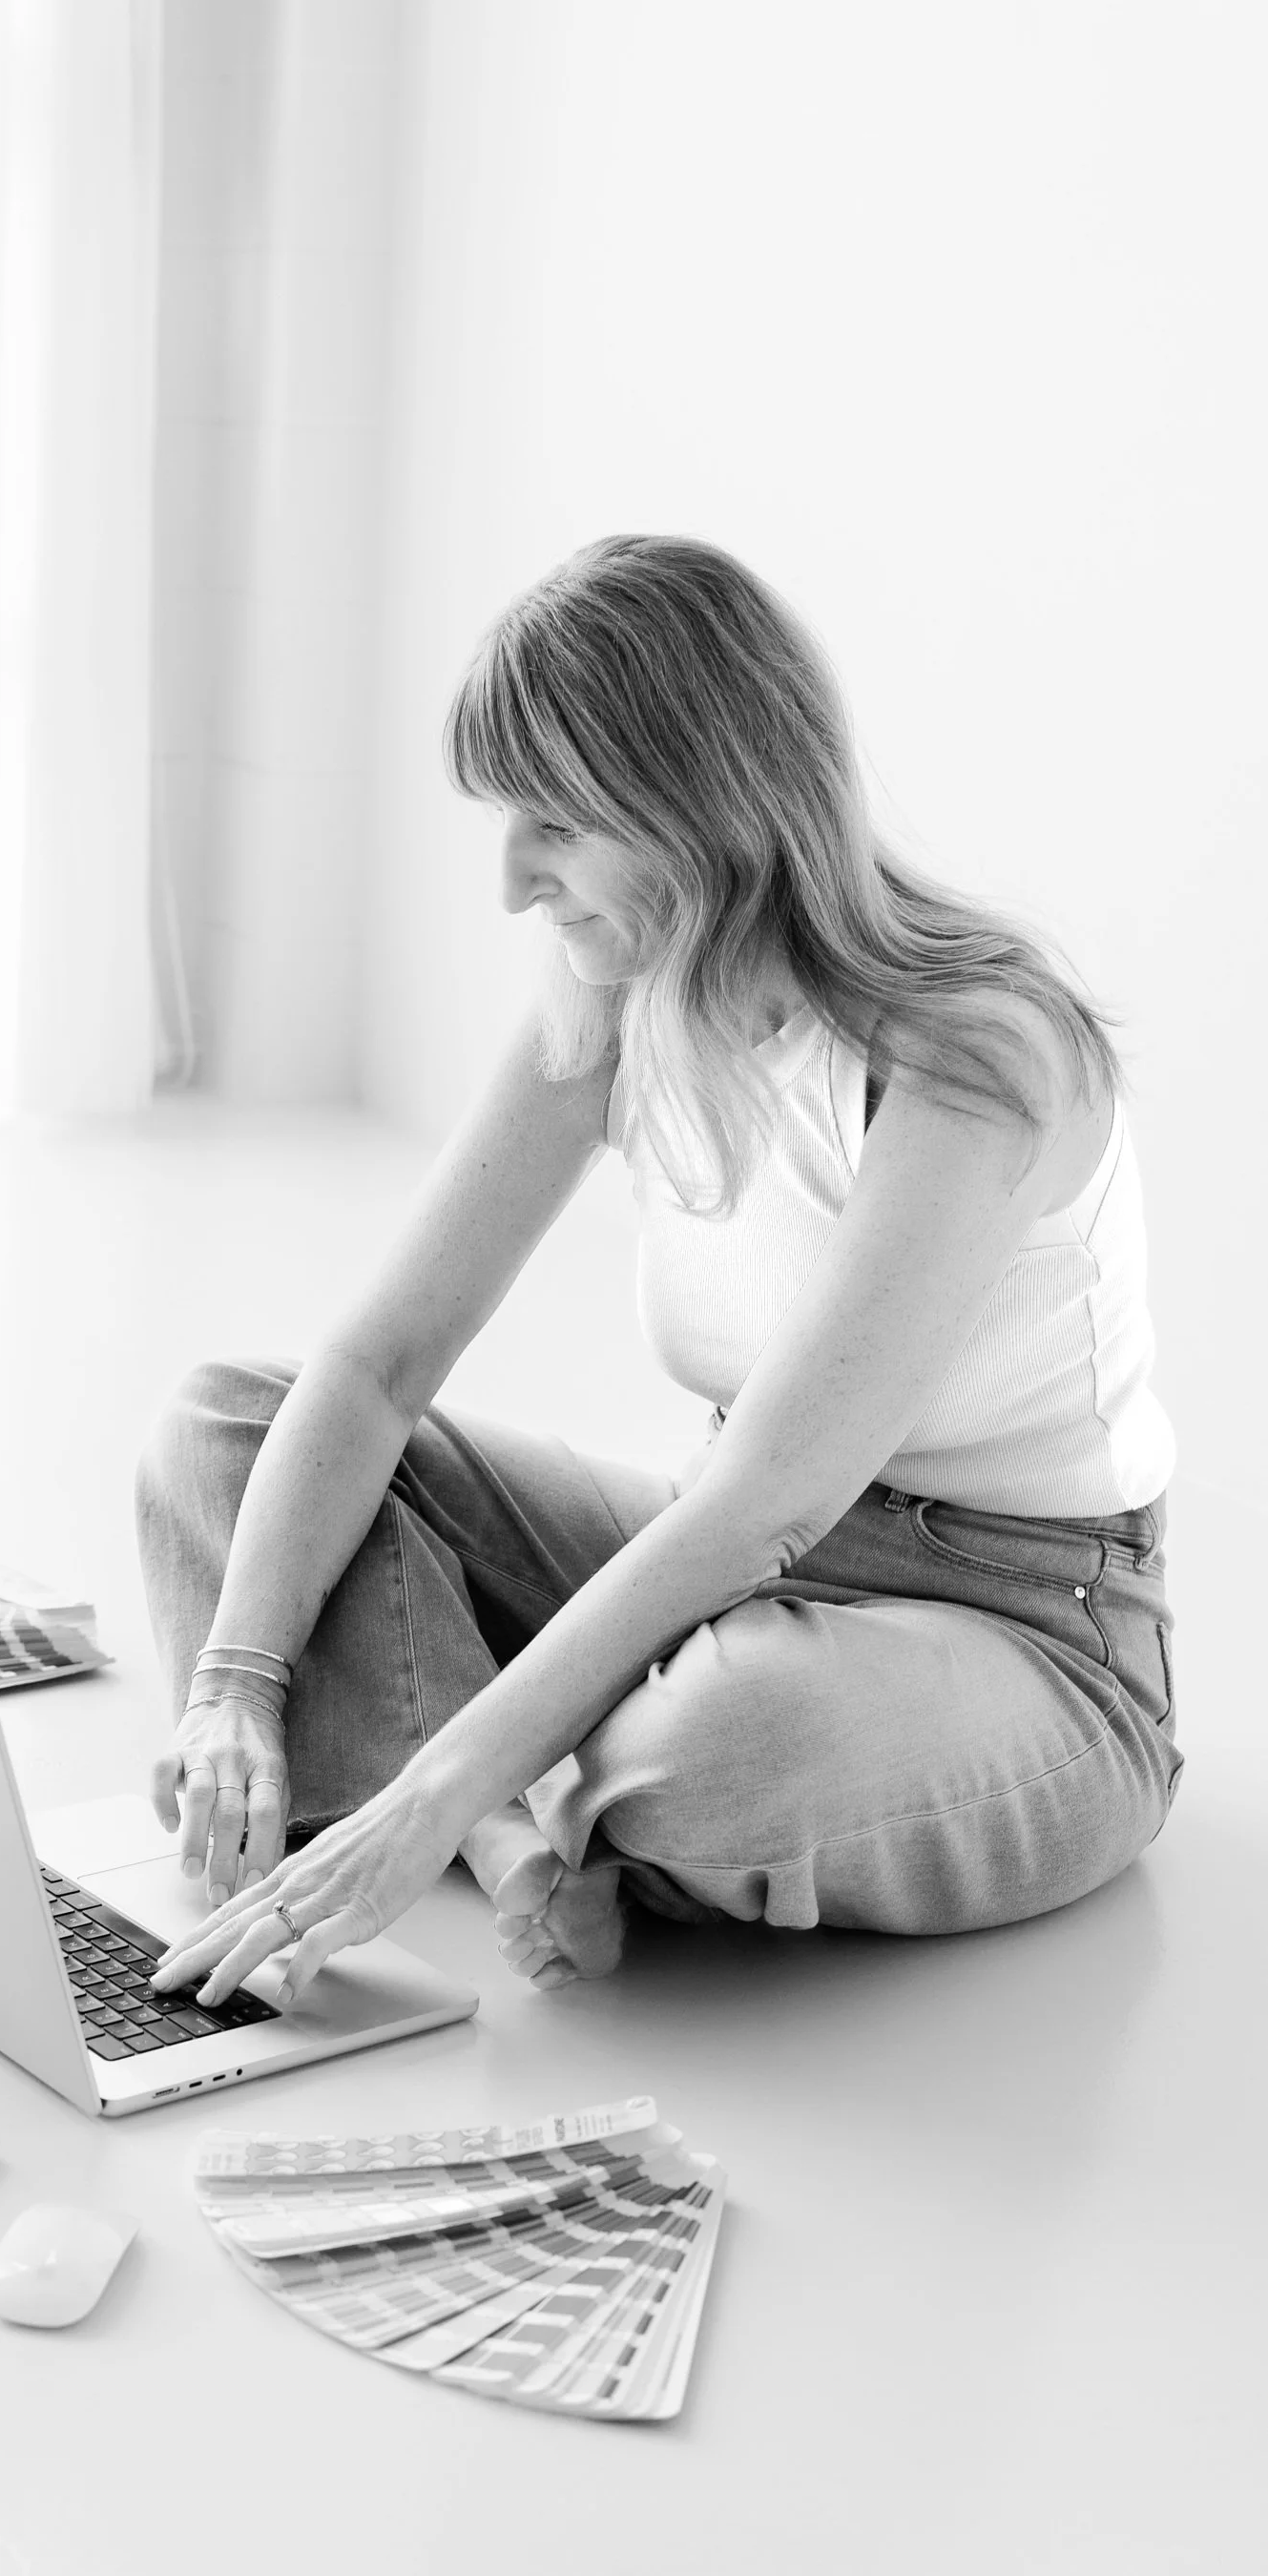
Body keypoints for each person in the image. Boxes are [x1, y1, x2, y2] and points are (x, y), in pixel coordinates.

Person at [138, 534, 1180, 2015]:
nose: (512, 883)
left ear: (702, 805)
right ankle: (529, 1849)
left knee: (721, 1754)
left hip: (1024, 1631)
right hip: (729, 1554)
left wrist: (421, 1792)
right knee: (228, 1427)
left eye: (553, 822)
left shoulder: (979, 1046)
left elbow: (775, 1500)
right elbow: (374, 1370)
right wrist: (234, 1683)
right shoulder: (615, 994)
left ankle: (506, 1782)